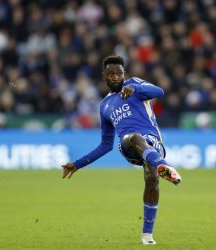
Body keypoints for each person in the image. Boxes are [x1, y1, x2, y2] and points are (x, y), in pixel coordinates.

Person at [61, 55, 182, 245]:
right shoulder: (104, 106)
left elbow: (160, 91)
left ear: (124, 74)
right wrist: (78, 164)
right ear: (104, 76)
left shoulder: (134, 84)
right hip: (128, 145)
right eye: (111, 74)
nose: (116, 77)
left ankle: (147, 236)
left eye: (119, 73)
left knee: (151, 178)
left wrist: (136, 87)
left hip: (153, 142)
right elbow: (105, 145)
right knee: (134, 137)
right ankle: (164, 166)